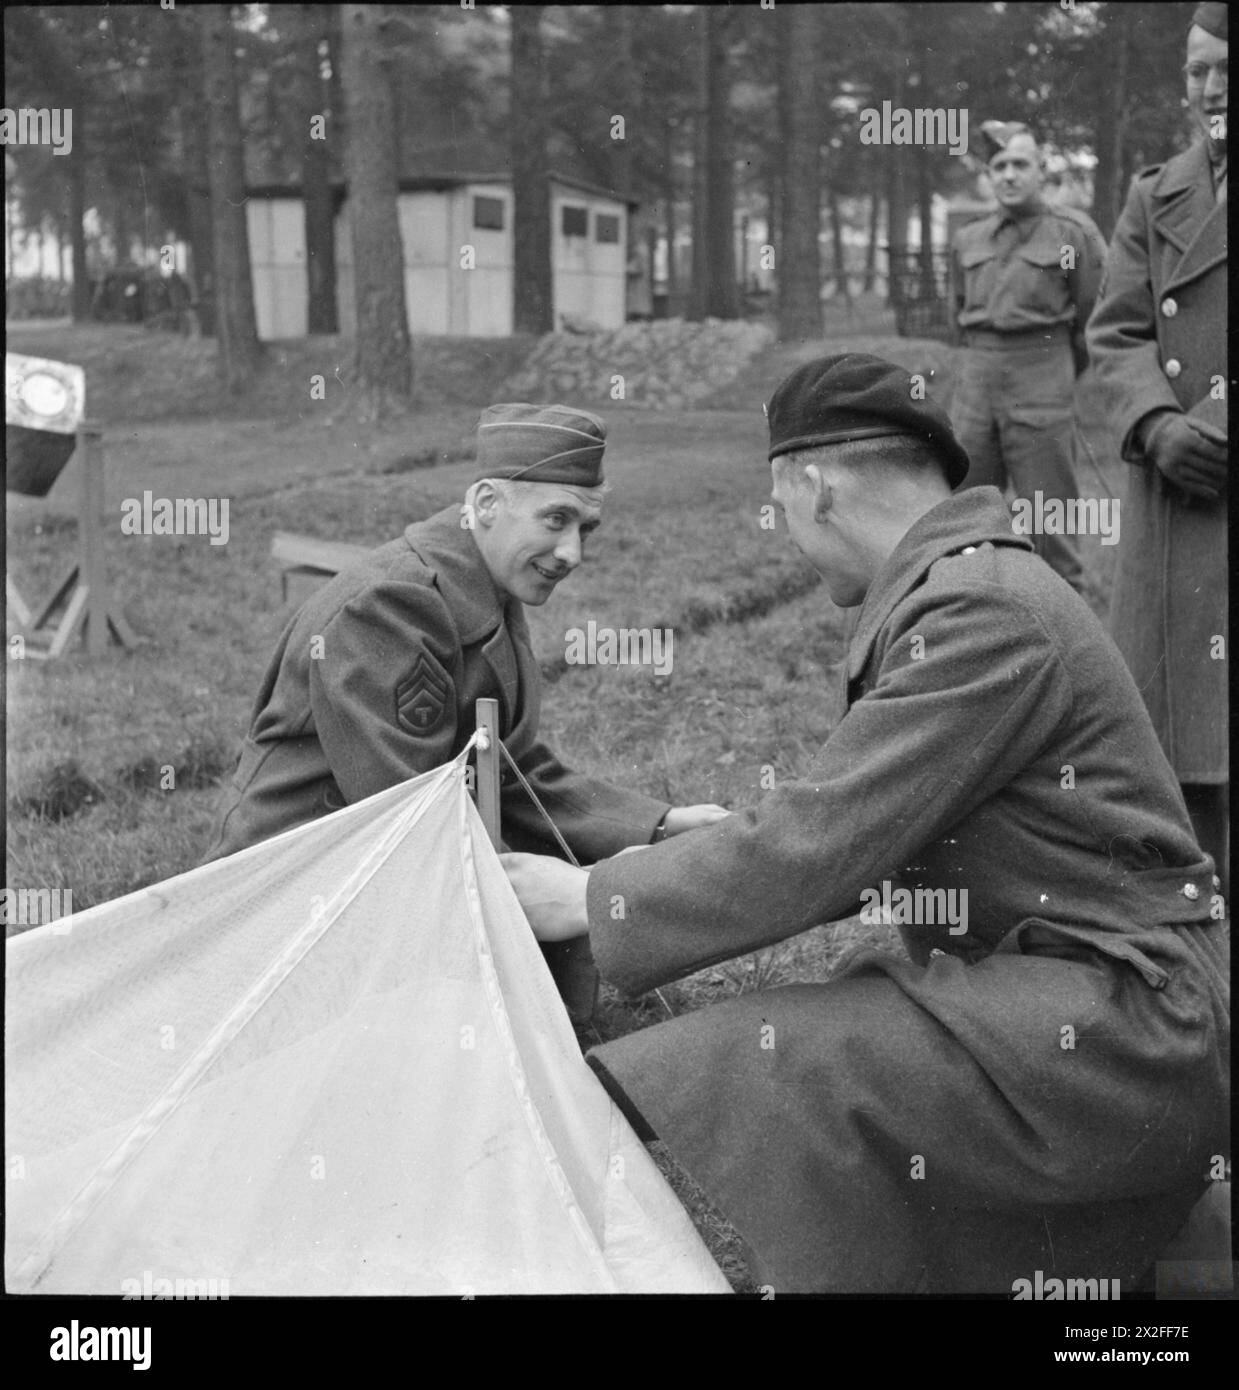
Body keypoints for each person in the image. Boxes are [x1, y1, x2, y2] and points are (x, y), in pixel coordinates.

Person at [502, 354, 1229, 1293]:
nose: (790, 539)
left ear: (815, 487)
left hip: (1132, 1027)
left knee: (770, 1064)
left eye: (781, 509)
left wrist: (587, 897)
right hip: (1095, 997)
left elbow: (820, 842)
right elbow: (840, 826)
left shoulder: (978, 611)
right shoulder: (972, 586)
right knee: (835, 1029)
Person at [205, 402, 727, 1018]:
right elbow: (410, 811)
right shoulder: (392, 607)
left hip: (375, 880)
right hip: (287, 911)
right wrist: (569, 889)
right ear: (484, 505)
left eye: (586, 529)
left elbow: (507, 773)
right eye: (555, 519)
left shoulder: (479, 586)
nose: (572, 552)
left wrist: (661, 825)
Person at [1085, 0, 1228, 899]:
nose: (1211, 90)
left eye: (1229, 69)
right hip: (1174, 497)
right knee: (1175, 730)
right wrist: (1153, 423)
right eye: (1195, 71)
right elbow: (1115, 335)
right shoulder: (1153, 194)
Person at [949, 121, 1108, 592]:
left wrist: (1054, 372)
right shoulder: (968, 239)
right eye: (999, 166)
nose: (1010, 175)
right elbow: (957, 315)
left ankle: (1064, 643)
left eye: (1021, 164)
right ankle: (970, 622)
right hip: (976, 384)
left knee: (1048, 518)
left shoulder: (1074, 234)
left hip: (1042, 375)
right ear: (988, 176)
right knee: (963, 515)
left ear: (1042, 171)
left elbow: (1093, 319)